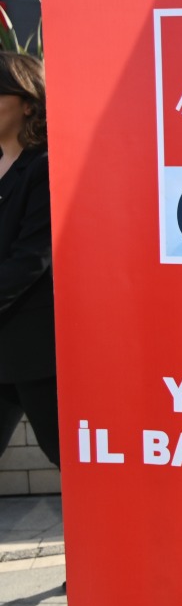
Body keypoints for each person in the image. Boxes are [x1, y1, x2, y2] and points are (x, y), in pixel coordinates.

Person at [0, 52, 58, 468]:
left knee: (68, 458)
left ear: (26, 103)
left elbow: (32, 260)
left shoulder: (44, 167)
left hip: (35, 352)